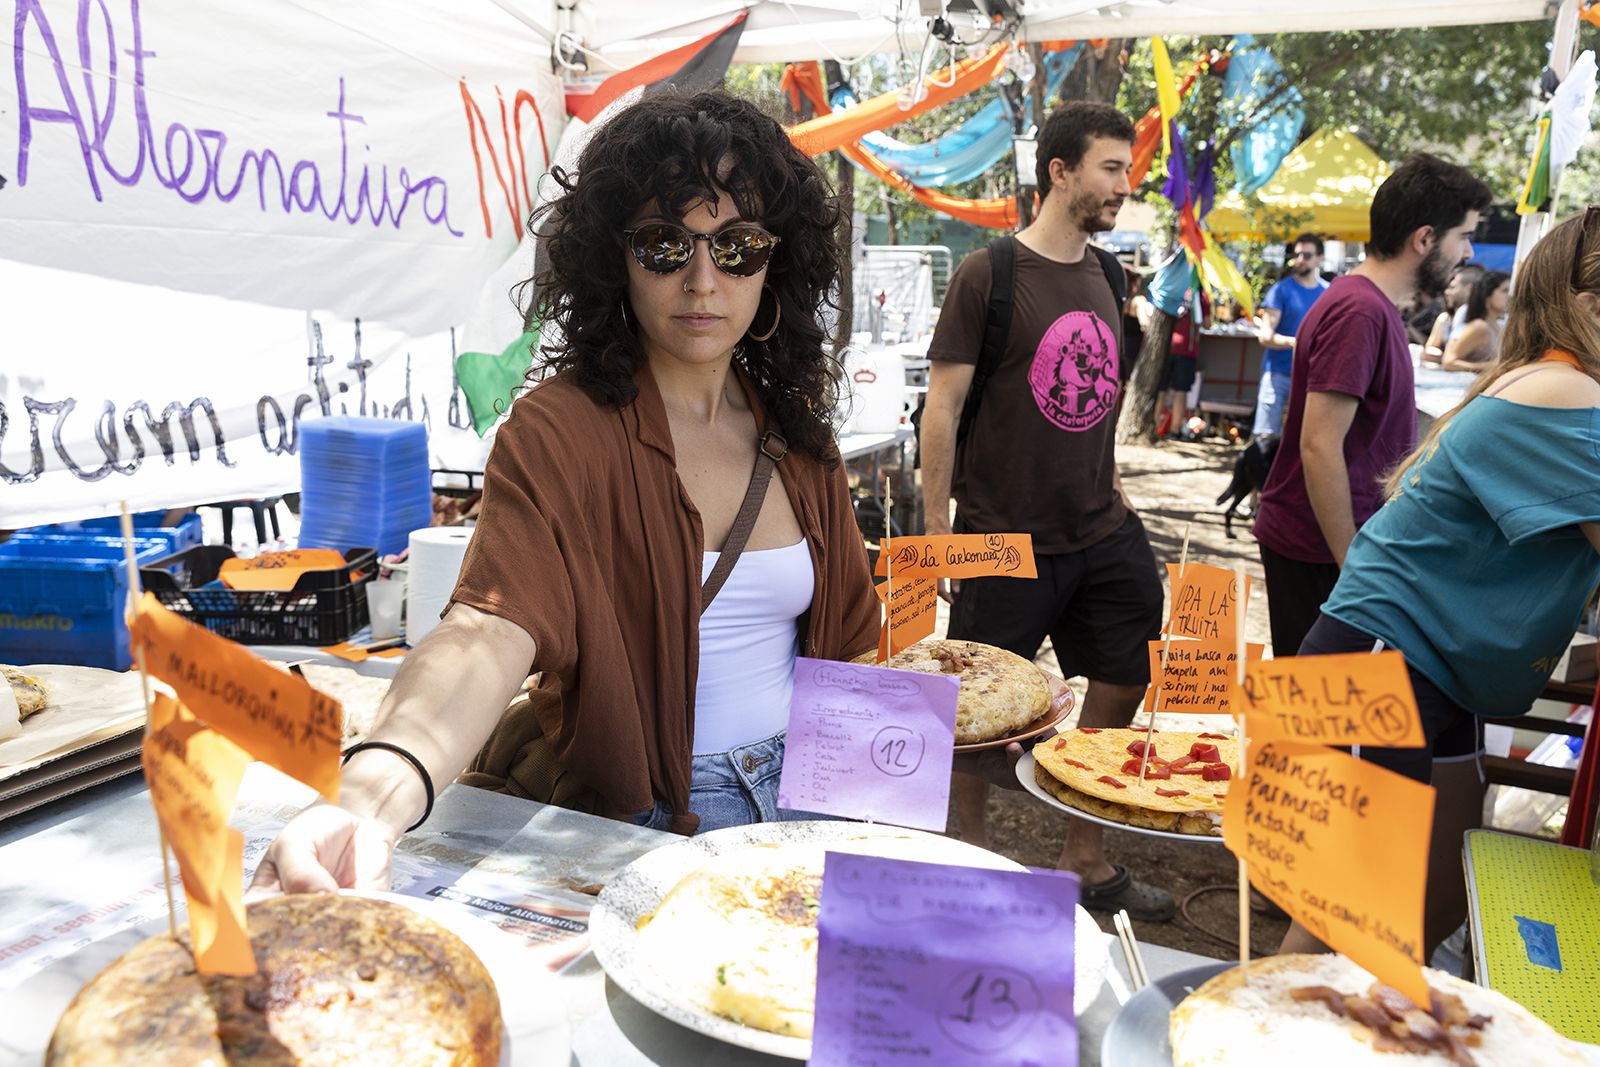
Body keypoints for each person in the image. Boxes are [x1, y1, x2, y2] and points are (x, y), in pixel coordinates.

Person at [253, 90, 883, 892]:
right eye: (663, 244)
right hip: (641, 827)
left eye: (738, 245)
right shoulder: (559, 433)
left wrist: (950, 750)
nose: (701, 279)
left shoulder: (800, 441)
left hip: (813, 806)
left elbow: (858, 653)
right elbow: (485, 630)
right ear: (614, 260)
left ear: (776, 263)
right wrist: (369, 795)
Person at [1281, 210, 1600, 963]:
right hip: (1377, 655)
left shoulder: (1561, 383)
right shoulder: (1569, 395)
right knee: (1341, 909)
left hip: (1433, 669)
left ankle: (1361, 1022)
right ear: (1588, 305)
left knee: (1438, 886)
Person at [920, 101, 1172, 920]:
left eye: (1127, 171)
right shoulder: (988, 276)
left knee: (1129, 668)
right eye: (1110, 167)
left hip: (1102, 527)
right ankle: (966, 854)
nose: (1124, 186)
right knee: (975, 716)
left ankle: (1081, 854)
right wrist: (936, 536)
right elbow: (942, 411)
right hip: (1001, 539)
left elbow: (1098, 391)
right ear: (1058, 172)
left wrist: (1121, 483)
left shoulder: (1110, 275)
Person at [1252, 153, 1492, 663]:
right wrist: (1353, 561)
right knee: (1312, 727)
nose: (1467, 253)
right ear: (1424, 239)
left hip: (1330, 545)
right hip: (1320, 548)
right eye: (1463, 236)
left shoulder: (1365, 304)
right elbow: (1319, 443)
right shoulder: (1360, 309)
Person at [1252, 233, 1330, 438]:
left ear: (1320, 258)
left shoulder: (1328, 293)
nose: (1300, 260)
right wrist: (1296, 343)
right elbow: (1265, 336)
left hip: (1311, 377)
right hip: (1278, 373)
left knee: (1302, 440)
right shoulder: (1281, 290)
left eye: (1307, 255)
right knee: (1266, 438)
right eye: (1297, 255)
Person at [1157, 289, 1205, 440]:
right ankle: (1175, 429)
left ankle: (1156, 426)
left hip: (1166, 345)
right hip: (1187, 349)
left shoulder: (1174, 287)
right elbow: (1207, 322)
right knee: (1180, 391)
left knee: (1161, 389)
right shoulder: (1201, 294)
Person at [1441, 269, 1510, 372]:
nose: (1510, 296)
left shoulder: (1498, 326)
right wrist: (1487, 367)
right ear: (1487, 296)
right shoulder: (1479, 327)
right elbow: (1449, 362)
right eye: (1505, 291)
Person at [1422, 263, 1485, 365]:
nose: (1447, 292)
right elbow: (1430, 347)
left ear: (1469, 289)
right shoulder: (1445, 319)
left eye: (1452, 287)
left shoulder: (1484, 323)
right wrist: (1441, 356)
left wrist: (1451, 360)